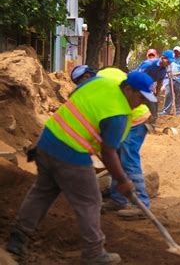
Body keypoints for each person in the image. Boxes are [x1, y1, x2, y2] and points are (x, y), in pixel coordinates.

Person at [6, 72, 156, 264]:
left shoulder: (99, 82)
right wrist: (123, 181)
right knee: (90, 202)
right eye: (140, 97)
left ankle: (17, 240)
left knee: (41, 193)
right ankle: (94, 253)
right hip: (71, 154)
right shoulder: (119, 114)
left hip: (47, 141)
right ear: (128, 89)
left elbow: (74, 99)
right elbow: (109, 153)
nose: (141, 103)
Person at [97, 67, 152, 219]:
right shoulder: (108, 76)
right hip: (128, 119)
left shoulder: (103, 82)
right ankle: (118, 200)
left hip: (135, 121)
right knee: (118, 160)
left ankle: (142, 205)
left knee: (129, 162)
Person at [134, 49, 174, 122]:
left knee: (154, 106)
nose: (169, 63)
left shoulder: (163, 70)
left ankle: (151, 124)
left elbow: (159, 82)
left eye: (170, 62)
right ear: (162, 58)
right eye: (168, 61)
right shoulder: (149, 64)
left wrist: (156, 94)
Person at [161, 46, 180, 116]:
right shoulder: (170, 60)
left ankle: (178, 112)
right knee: (168, 95)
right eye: (175, 51)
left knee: (178, 97)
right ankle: (166, 111)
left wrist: (175, 74)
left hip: (179, 81)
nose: (176, 53)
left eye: (177, 51)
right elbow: (166, 67)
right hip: (169, 80)